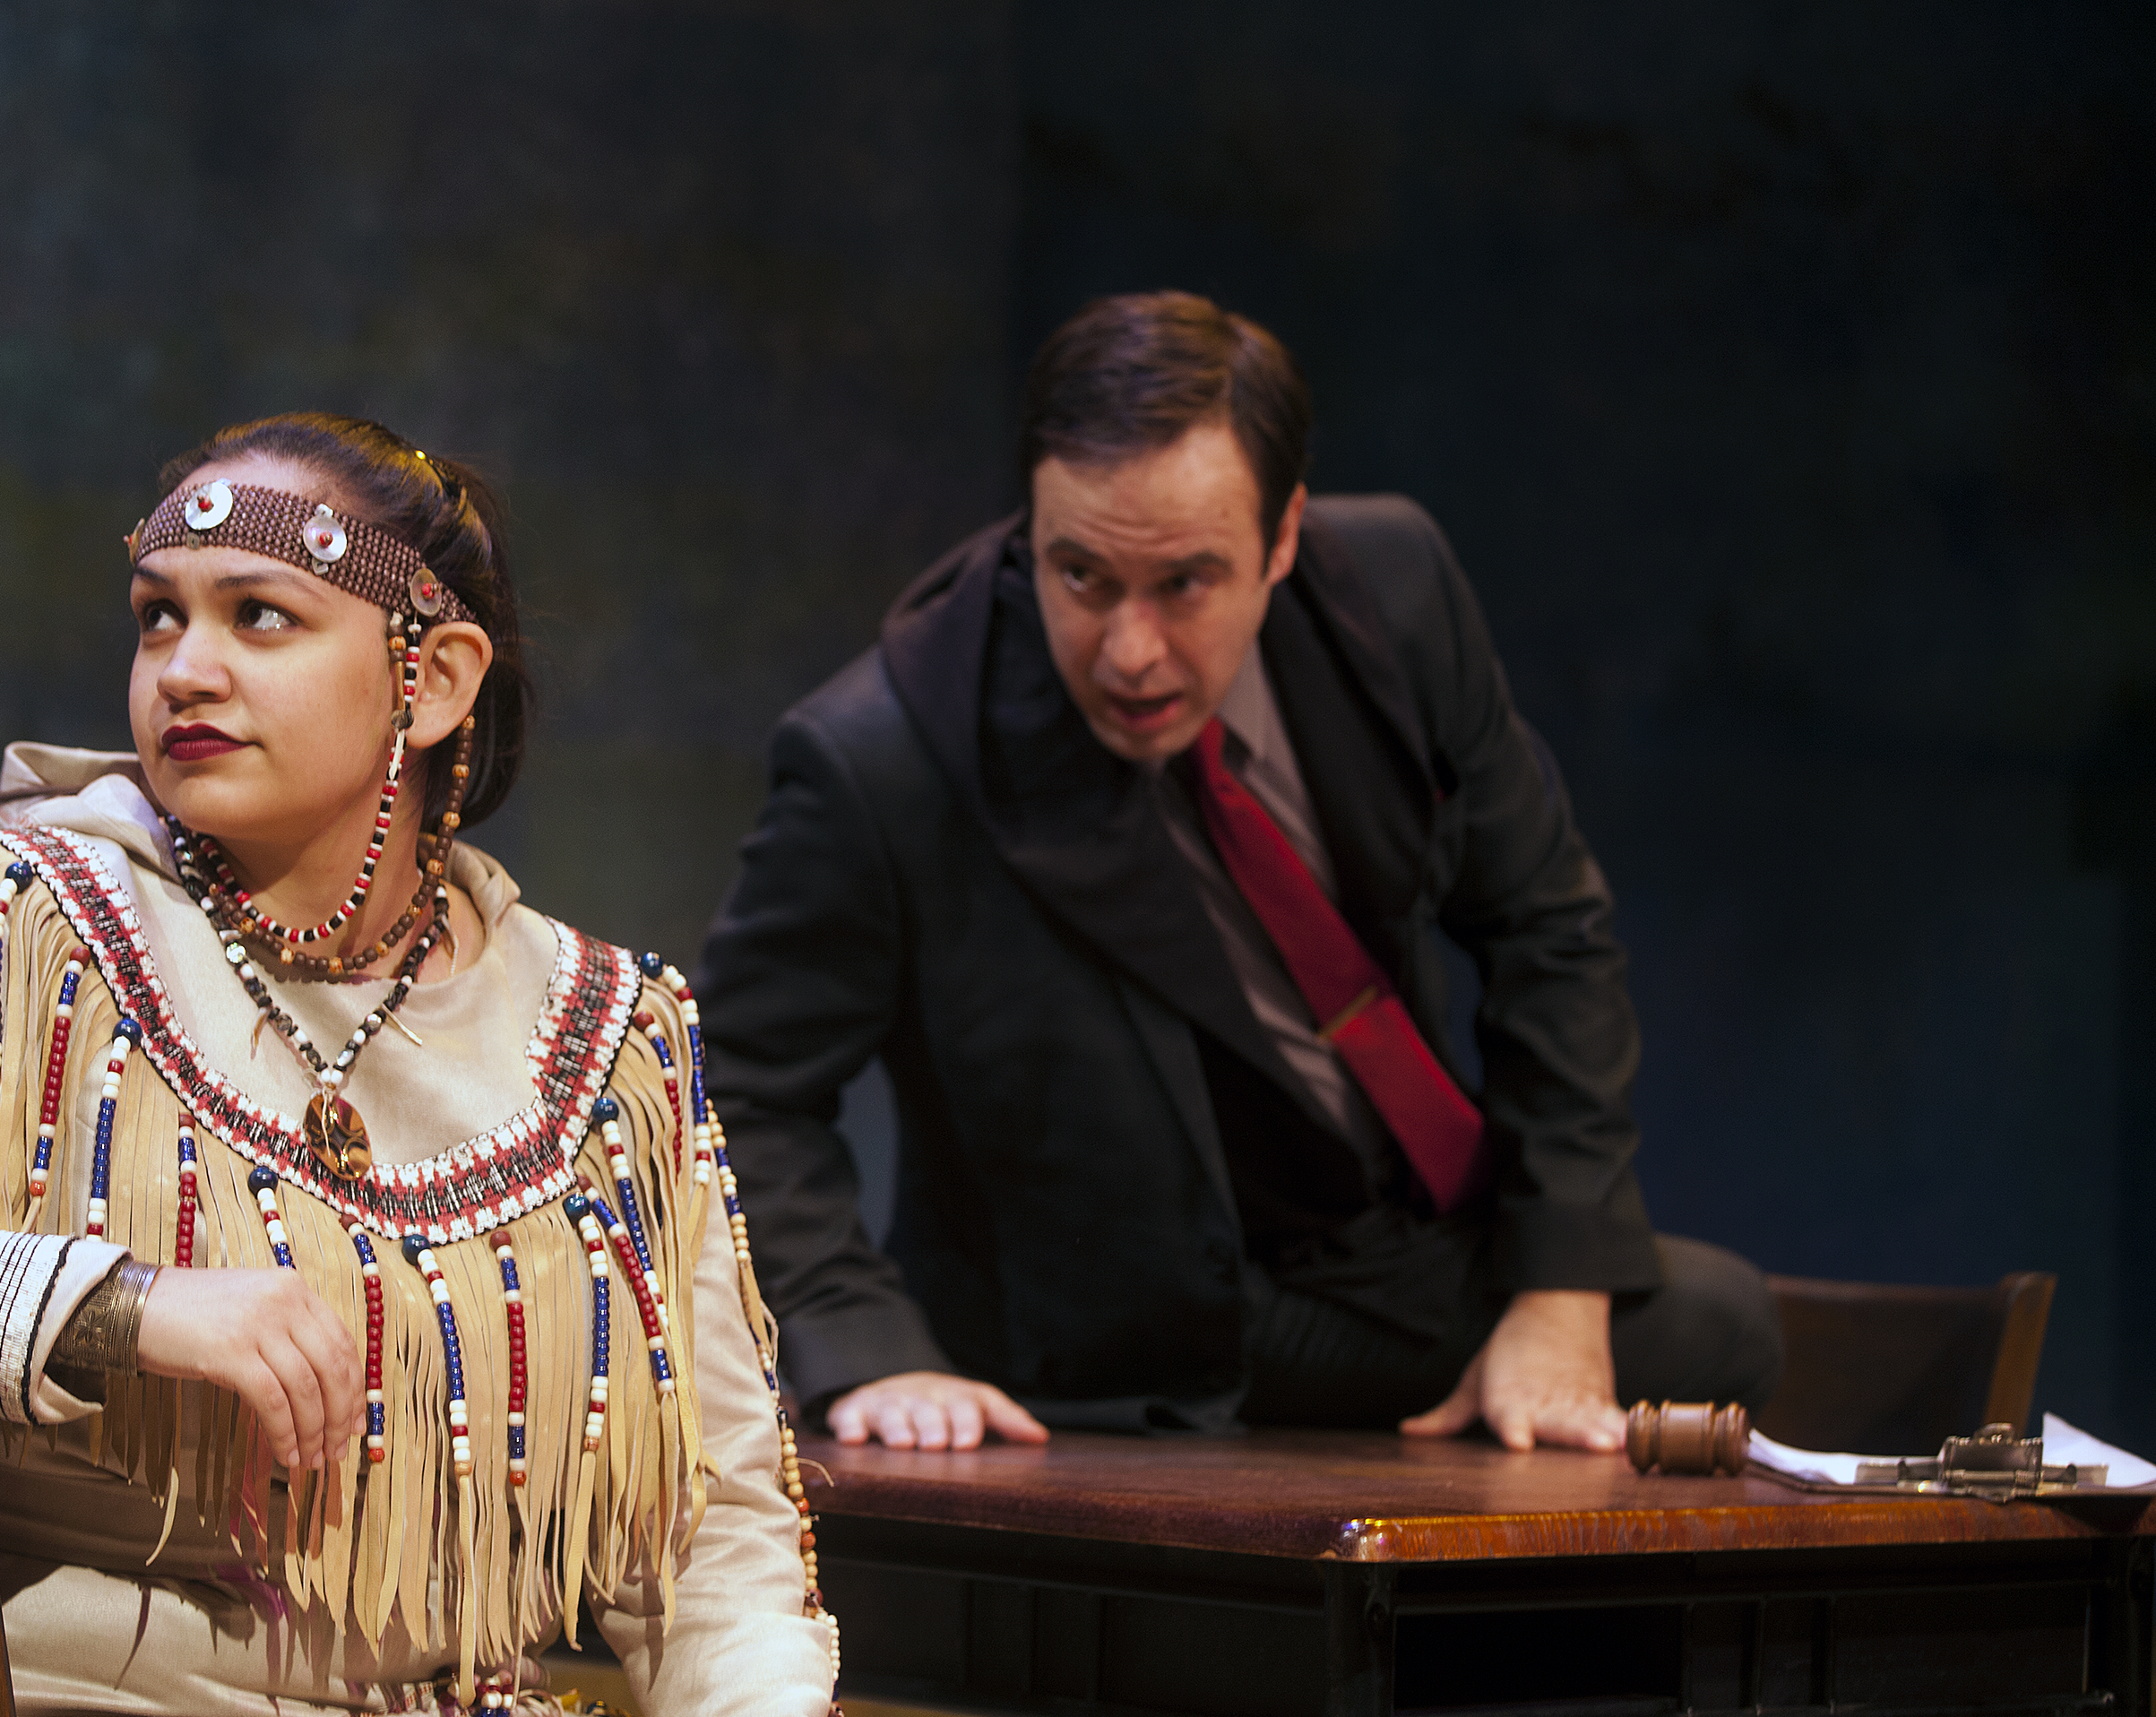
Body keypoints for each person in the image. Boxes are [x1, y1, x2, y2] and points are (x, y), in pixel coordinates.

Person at [0, 414, 875, 1717]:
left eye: (259, 617)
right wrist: (113, 1305)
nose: (184, 669)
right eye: (158, 618)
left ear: (436, 681)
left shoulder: (605, 1040)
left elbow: (708, 1523)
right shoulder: (28, 932)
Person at [698, 291, 1783, 1464]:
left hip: (1389, 1230)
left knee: (1698, 1317)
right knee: (1711, 1324)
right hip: (1120, 1321)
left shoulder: (1395, 591)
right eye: (1080, 575)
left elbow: (1547, 926)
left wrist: (1558, 1298)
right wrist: (866, 1344)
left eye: (1185, 583)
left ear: (1282, 538)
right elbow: (732, 1083)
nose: (1130, 652)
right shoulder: (880, 755)